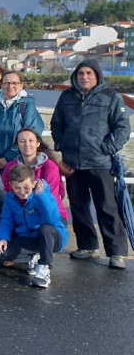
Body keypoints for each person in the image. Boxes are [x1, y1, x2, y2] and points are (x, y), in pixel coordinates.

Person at [51, 60, 130, 269]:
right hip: (72, 162)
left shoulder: (110, 97)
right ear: (75, 76)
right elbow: (56, 123)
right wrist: (61, 144)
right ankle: (87, 246)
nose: (84, 77)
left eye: (89, 73)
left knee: (106, 206)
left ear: (97, 75)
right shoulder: (67, 97)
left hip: (99, 162)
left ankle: (116, 252)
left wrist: (107, 148)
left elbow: (122, 127)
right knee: (78, 205)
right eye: (80, 74)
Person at [0, 165, 68, 288]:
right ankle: (33, 256)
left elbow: (53, 220)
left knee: (45, 228)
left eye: (26, 187)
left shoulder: (42, 194)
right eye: (17, 187)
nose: (22, 192)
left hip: (52, 238)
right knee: (1, 252)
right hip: (30, 239)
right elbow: (6, 220)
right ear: (11, 185)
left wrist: (41, 196)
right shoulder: (10, 199)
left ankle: (44, 268)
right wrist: (2, 238)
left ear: (34, 183)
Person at [0, 71, 43, 171]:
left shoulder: (26, 107)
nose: (10, 86)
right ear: (1, 85)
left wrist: (7, 158)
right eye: (6, 83)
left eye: (14, 83)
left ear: (21, 85)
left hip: (18, 165)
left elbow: (31, 136)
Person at [1, 128, 68, 221]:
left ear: (38, 143)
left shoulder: (50, 166)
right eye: (22, 141)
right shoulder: (10, 166)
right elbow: (7, 192)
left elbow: (49, 196)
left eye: (31, 140)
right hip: (21, 215)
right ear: (17, 145)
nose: (27, 144)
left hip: (50, 214)